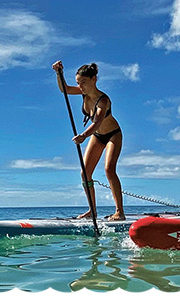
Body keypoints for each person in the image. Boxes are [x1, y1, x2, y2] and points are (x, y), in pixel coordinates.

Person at [53, 61, 126, 221]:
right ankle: (92, 211)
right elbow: (63, 89)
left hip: (113, 134)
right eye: (79, 83)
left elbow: (97, 122)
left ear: (94, 79)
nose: (81, 86)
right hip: (97, 136)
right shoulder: (83, 94)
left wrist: (83, 136)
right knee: (85, 173)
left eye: (83, 82)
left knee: (109, 169)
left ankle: (119, 212)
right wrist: (59, 73)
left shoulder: (103, 100)